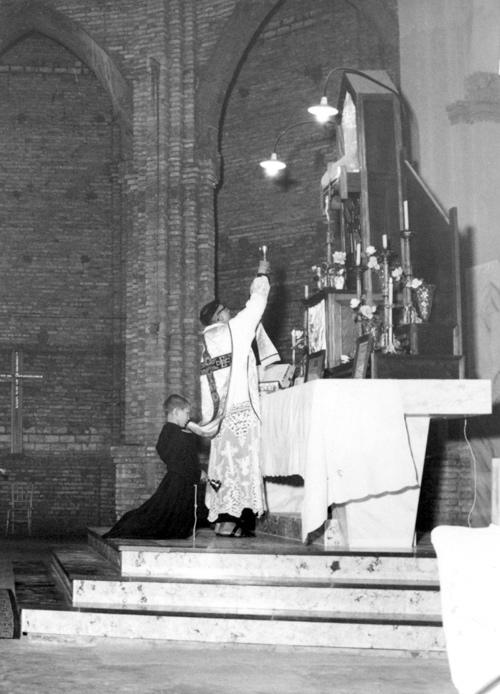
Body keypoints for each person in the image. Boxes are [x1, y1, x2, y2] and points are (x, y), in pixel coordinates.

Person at [197, 259, 279, 537]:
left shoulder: (207, 342)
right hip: (241, 412)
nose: (231, 313)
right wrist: (262, 274)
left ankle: (221, 519)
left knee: (223, 465)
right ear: (218, 317)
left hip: (221, 418)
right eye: (226, 311)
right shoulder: (233, 331)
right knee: (241, 466)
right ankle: (233, 522)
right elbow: (256, 304)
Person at [103, 394, 207, 540]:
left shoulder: (171, 431)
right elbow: (179, 461)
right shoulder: (175, 433)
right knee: (156, 519)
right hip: (177, 483)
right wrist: (197, 473)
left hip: (179, 482)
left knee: (159, 515)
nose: (188, 417)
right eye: (186, 413)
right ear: (176, 412)